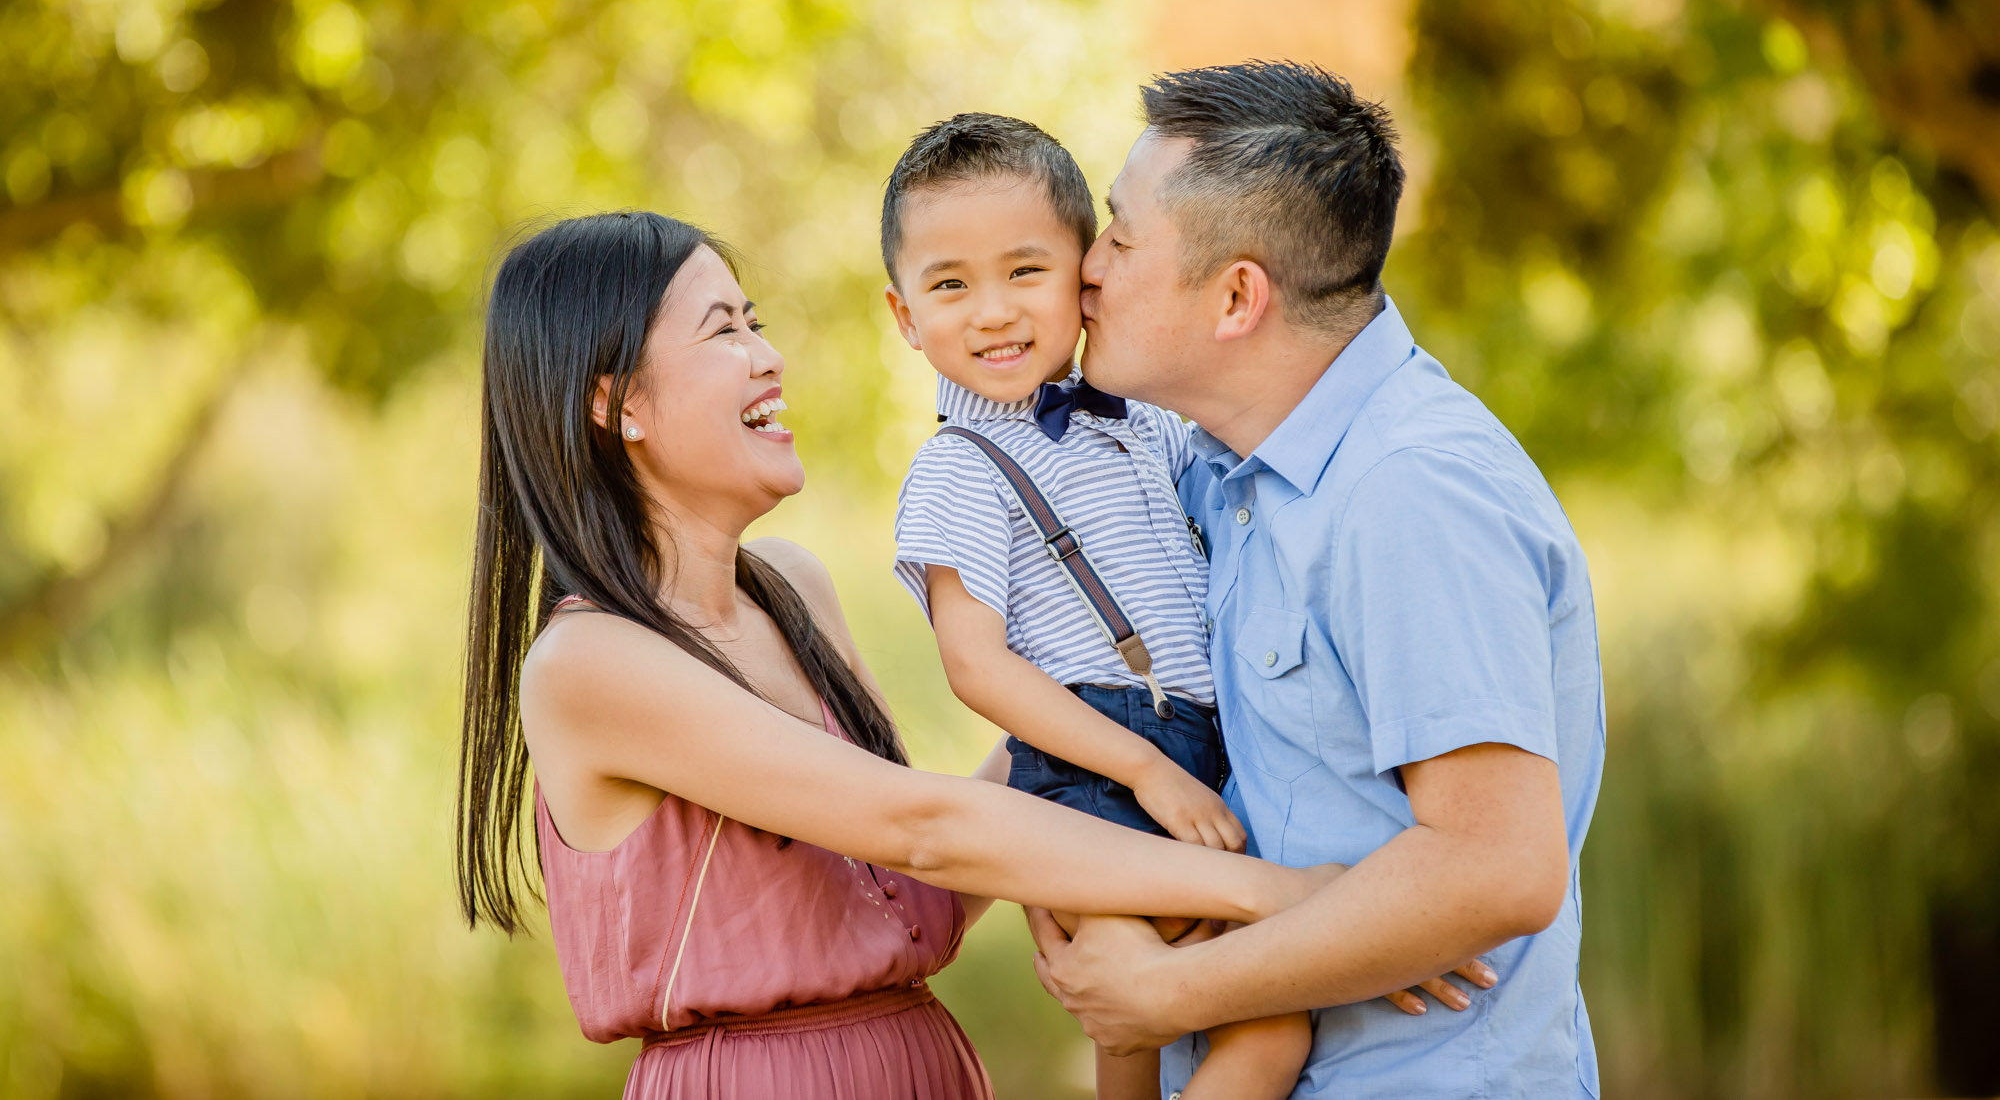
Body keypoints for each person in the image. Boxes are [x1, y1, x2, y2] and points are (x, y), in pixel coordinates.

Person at [452, 209, 1339, 1100]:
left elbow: (908, 891)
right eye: (724, 330)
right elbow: (923, 829)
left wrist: (1100, 738)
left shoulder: (791, 589)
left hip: (921, 1060)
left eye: (754, 321)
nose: (769, 356)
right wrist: (1284, 900)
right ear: (616, 404)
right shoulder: (590, 662)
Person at [1030, 61, 1606, 1100]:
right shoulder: (1224, 470)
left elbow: (1495, 867)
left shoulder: (1407, 491)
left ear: (1236, 296)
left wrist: (1171, 993)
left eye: (1118, 233)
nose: (1086, 270)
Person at [879, 114, 1315, 1100]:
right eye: (949, 285)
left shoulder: (1150, 420)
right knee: (1133, 1003)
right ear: (904, 315)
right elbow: (975, 665)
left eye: (1023, 272)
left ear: (1085, 274)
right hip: (1092, 771)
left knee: (1269, 1026)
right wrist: (1145, 773)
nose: (989, 312)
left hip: (1207, 749)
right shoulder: (961, 467)